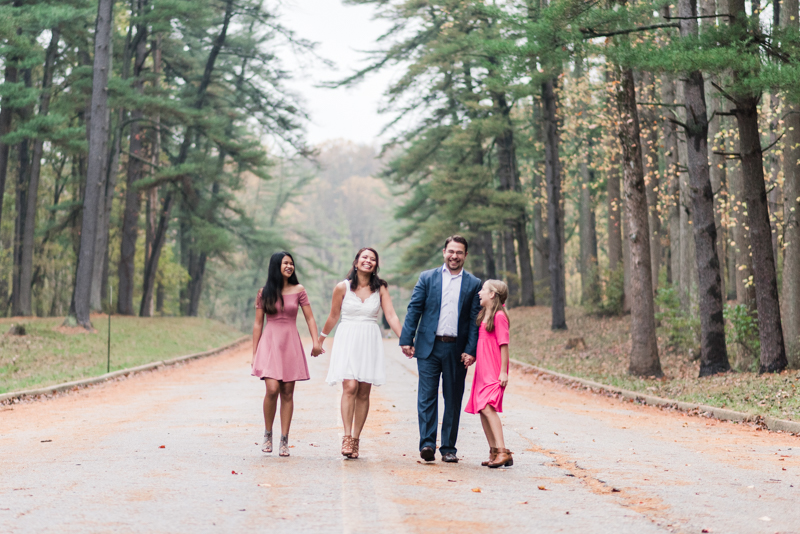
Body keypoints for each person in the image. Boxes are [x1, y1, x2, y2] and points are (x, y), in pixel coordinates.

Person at [399, 235, 482, 463]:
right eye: (451, 251)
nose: (454, 256)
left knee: (453, 399)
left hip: (457, 350)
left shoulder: (474, 283)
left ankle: (448, 448)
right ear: (444, 252)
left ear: (465, 255)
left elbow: (475, 320)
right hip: (429, 347)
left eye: (459, 252)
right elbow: (414, 308)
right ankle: (427, 444)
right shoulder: (427, 278)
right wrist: (407, 339)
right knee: (426, 397)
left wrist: (471, 349)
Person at [320, 247, 404, 459]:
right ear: (356, 262)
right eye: (364, 257)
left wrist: (405, 338)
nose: (368, 261)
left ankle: (356, 438)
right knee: (350, 385)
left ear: (376, 264)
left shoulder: (381, 288)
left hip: (369, 338)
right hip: (347, 337)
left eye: (372, 259)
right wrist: (320, 339)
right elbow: (333, 316)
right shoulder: (342, 287)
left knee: (364, 390)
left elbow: (391, 316)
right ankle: (346, 437)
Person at [252, 252, 323, 457]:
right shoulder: (264, 292)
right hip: (270, 343)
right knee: (272, 389)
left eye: (291, 263)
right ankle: (268, 433)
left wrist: (316, 342)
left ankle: (284, 439)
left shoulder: (299, 290)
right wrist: (255, 353)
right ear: (276, 266)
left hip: (290, 342)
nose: (289, 266)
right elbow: (258, 323)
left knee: (288, 392)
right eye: (285, 263)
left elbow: (309, 318)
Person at [465, 280, 514, 468]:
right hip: (482, 369)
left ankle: (502, 450)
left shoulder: (500, 316)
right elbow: (484, 343)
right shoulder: (485, 314)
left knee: (487, 407)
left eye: (483, 290)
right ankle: (494, 451)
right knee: (482, 410)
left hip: (494, 369)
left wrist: (503, 372)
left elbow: (503, 345)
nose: (479, 293)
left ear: (492, 294)